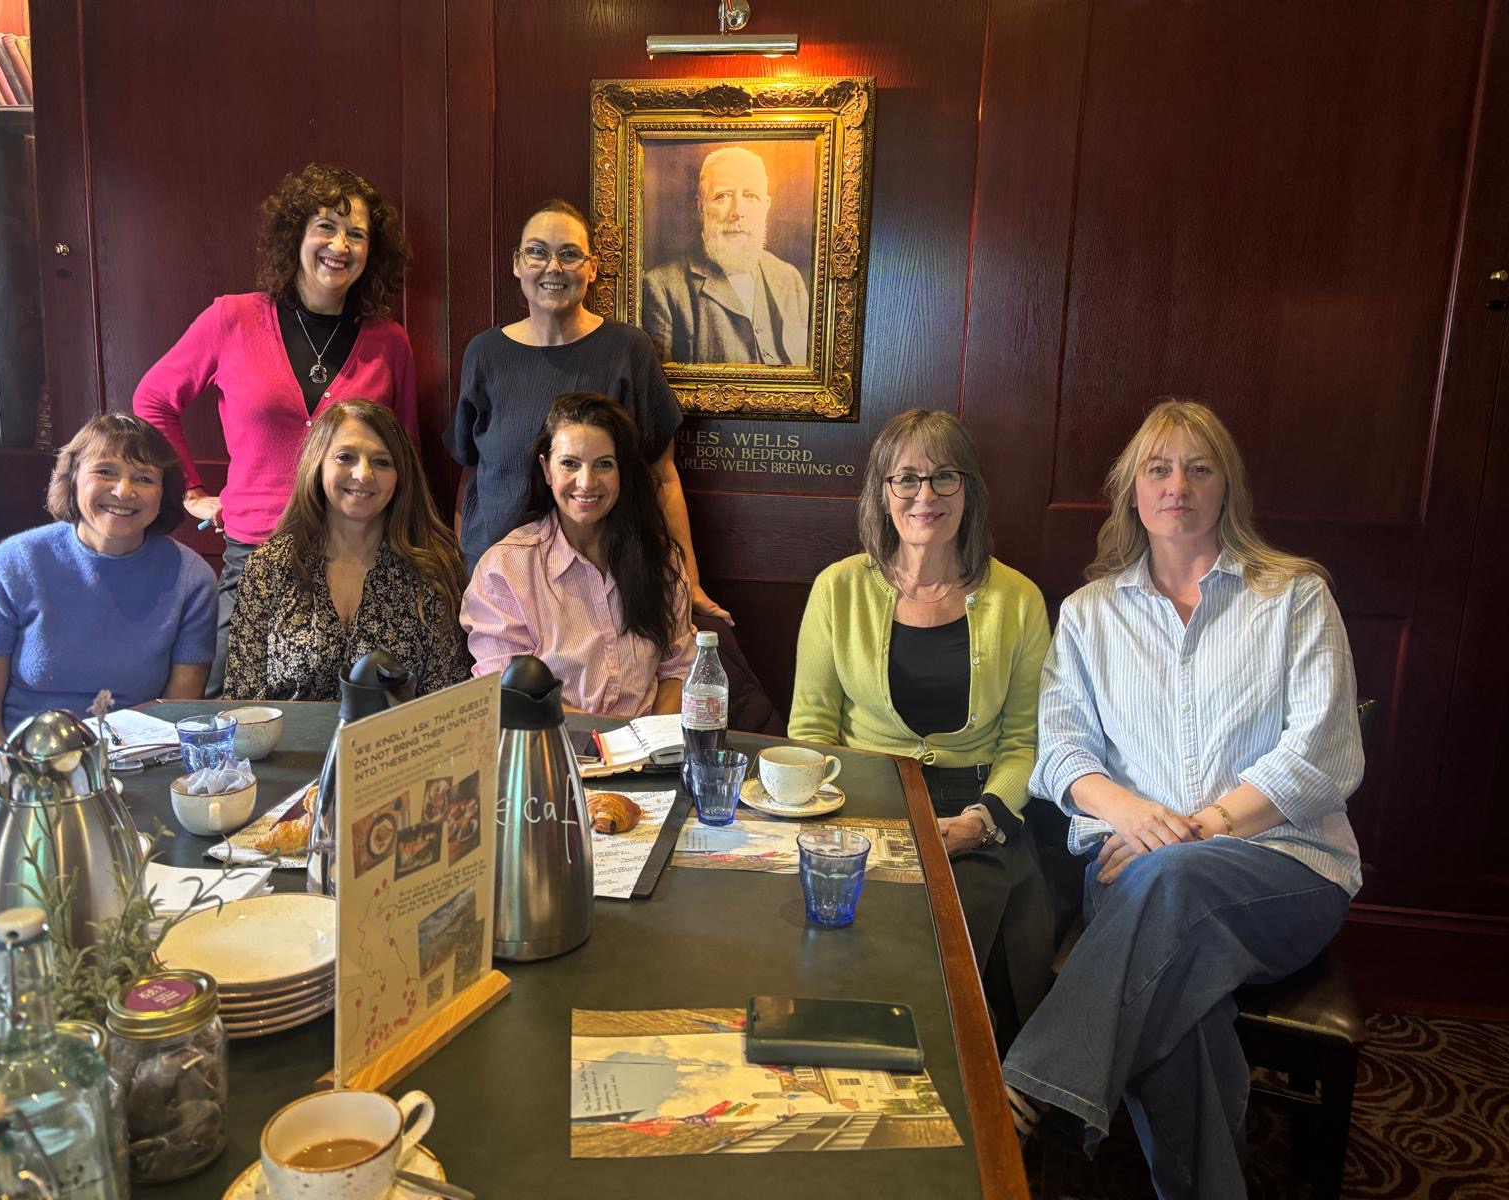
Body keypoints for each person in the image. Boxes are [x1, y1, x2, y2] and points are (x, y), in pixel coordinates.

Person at [1003, 400, 1363, 1200]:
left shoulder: (1294, 596)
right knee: (1182, 996)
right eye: (1158, 469)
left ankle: (1028, 1089)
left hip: (1285, 872)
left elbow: (1321, 757)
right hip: (1133, 870)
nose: (1178, 485)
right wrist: (1132, 815)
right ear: (1132, 491)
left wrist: (1196, 830)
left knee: (1171, 884)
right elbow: (1059, 753)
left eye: (1200, 468)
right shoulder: (1090, 615)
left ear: (1226, 486)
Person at [788, 409, 1054, 1050]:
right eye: (906, 479)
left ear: (970, 490)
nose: (925, 495)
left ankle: (978, 1083)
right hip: (862, 803)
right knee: (855, 924)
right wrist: (843, 823)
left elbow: (1026, 742)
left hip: (978, 813)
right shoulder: (838, 589)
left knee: (971, 916)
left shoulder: (1018, 600)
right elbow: (813, 727)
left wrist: (980, 821)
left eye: (944, 477)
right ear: (883, 493)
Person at [134, 163, 420, 693]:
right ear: (297, 235)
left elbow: (404, 455)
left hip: (359, 555)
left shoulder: (389, 341)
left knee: (360, 705)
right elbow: (153, 401)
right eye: (326, 227)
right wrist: (190, 491)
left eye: (357, 233)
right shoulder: (232, 319)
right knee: (224, 702)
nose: (340, 245)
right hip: (255, 550)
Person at [448, 199, 727, 621]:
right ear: (517, 264)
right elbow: (470, 477)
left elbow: (663, 475)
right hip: (499, 594)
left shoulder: (627, 350)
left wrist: (690, 580)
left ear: (593, 268)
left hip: (604, 585)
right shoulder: (484, 354)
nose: (553, 267)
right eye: (537, 252)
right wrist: (463, 572)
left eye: (570, 254)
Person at [0, 414, 217, 758]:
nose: (124, 491)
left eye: (144, 478)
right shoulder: (10, 566)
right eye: (105, 471)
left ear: (164, 493)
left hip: (132, 767)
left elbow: (175, 721)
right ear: (72, 478)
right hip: (6, 766)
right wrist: (25, 783)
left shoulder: (191, 578)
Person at [461, 393, 693, 718]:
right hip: (545, 746)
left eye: (604, 464)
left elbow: (676, 671)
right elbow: (509, 698)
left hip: (647, 748)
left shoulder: (659, 560)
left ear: (623, 472)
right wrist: (611, 739)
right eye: (570, 463)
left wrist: (645, 742)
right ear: (546, 470)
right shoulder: (504, 570)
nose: (586, 482)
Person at [223, 401, 468, 702]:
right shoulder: (269, 566)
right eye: (345, 457)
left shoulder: (433, 569)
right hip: (289, 734)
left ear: (402, 475)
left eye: (382, 462)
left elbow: (448, 701)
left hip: (400, 733)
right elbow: (243, 696)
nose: (363, 474)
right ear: (318, 464)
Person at [642, 145, 810, 367]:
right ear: (700, 207)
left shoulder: (790, 279)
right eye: (722, 196)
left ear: (766, 206)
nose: (738, 211)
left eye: (751, 196)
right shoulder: (661, 287)